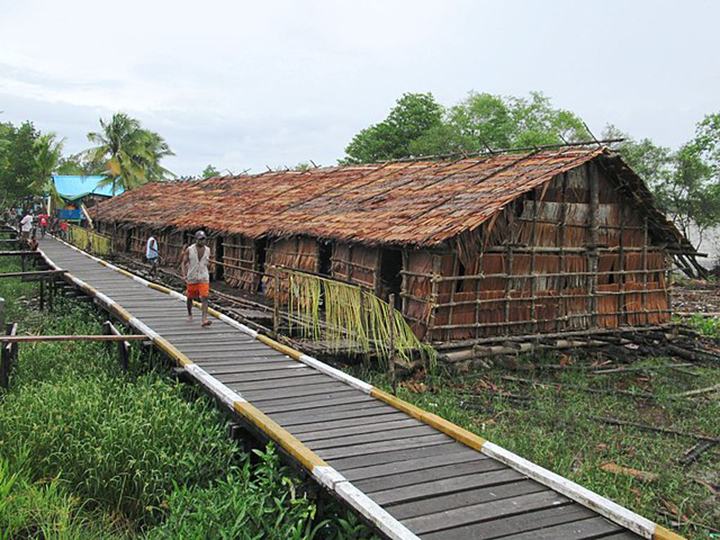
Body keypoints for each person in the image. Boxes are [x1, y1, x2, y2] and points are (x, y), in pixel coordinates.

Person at [181, 230, 212, 326]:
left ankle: (204, 319)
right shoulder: (190, 250)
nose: (202, 241)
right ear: (196, 240)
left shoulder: (208, 250)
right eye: (200, 239)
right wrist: (184, 275)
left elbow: (208, 262)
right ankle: (190, 313)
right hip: (192, 276)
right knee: (190, 297)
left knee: (205, 297)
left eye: (203, 239)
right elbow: (184, 263)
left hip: (203, 277)